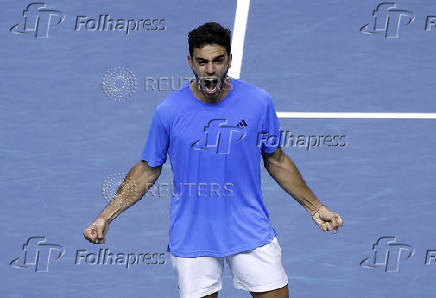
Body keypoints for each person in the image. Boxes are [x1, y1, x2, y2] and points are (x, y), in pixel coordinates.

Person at [83, 22, 343, 298]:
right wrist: (105, 217)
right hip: (193, 235)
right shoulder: (168, 111)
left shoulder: (258, 102)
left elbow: (276, 160)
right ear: (190, 63)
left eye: (218, 60)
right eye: (202, 62)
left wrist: (315, 208)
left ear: (229, 60)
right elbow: (147, 171)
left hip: (249, 228)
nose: (210, 70)